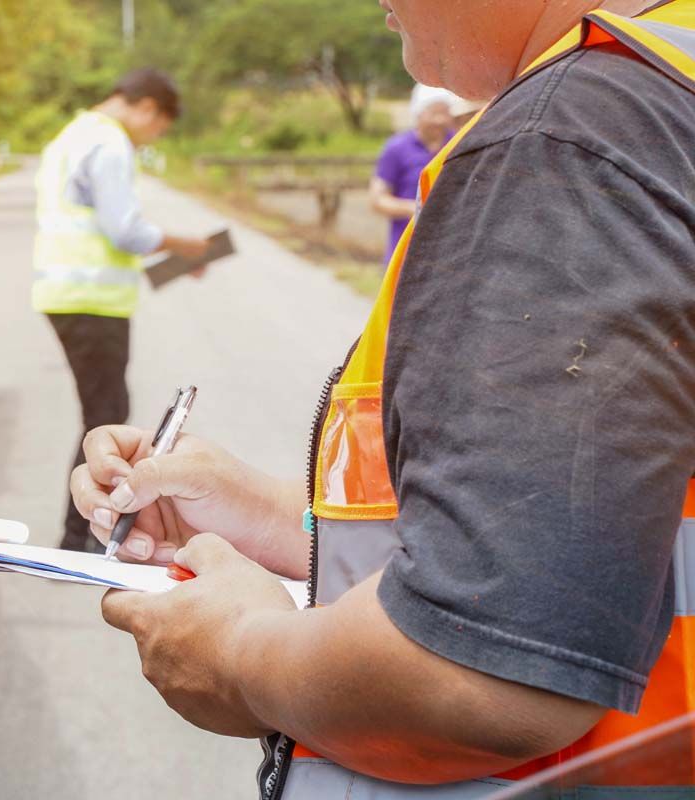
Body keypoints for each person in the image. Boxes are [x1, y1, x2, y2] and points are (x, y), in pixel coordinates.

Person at [70, 0, 695, 796]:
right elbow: (589, 539)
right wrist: (262, 512)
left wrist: (234, 653)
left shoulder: (568, 139)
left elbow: (484, 673)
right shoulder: (667, 86)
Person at [33, 68, 209, 553]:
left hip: (69, 294)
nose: (153, 136)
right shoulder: (109, 143)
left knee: (101, 415)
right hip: (92, 300)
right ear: (147, 107)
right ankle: (81, 539)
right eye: (160, 128)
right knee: (104, 420)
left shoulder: (73, 134)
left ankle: (85, 535)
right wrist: (187, 244)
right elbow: (124, 230)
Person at [369, 84, 456, 264]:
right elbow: (377, 199)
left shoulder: (458, 144)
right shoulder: (396, 148)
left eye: (445, 112)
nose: (440, 120)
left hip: (450, 255)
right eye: (433, 113)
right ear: (418, 113)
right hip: (405, 255)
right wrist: (414, 210)